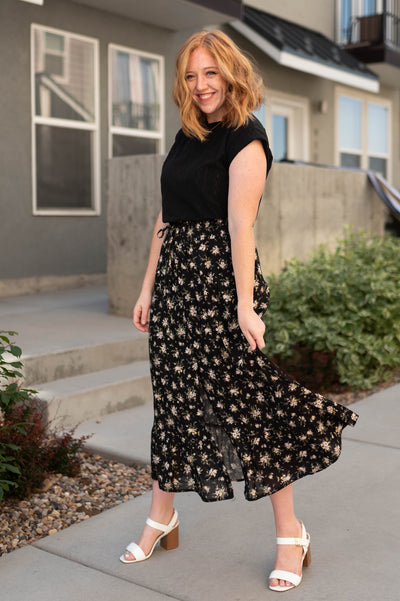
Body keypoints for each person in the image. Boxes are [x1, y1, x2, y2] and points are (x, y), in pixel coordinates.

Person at [120, 30, 358, 592]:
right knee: (174, 401)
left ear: (231, 74)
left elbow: (240, 227)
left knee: (249, 407)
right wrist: (147, 287)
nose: (202, 86)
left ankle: (290, 533)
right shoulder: (186, 135)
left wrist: (246, 307)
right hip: (176, 287)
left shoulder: (245, 137)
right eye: (191, 75)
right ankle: (162, 517)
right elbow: (165, 218)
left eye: (211, 73)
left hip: (221, 288)